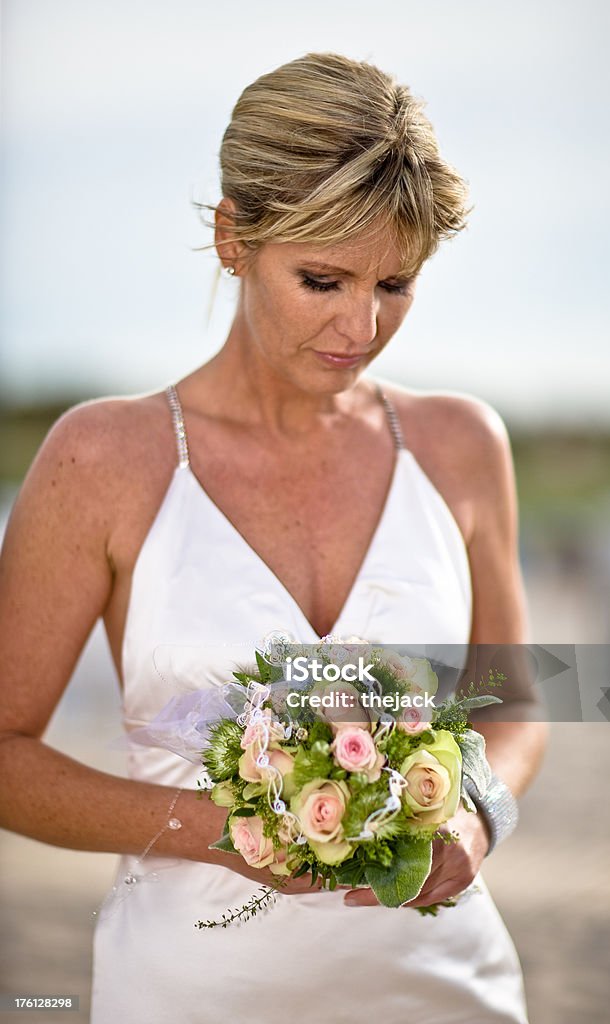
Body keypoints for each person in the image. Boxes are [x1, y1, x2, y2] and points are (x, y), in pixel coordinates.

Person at [0, 52, 547, 1023]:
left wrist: (476, 813)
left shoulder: (462, 444)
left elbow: (513, 703)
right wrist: (222, 829)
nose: (361, 324)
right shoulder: (101, 459)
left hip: (449, 987)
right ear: (230, 236)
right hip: (189, 995)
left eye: (396, 282)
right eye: (322, 278)